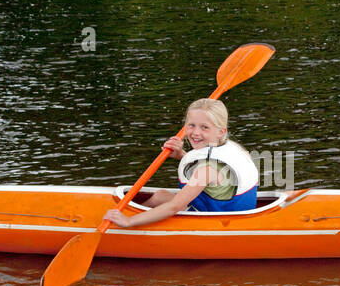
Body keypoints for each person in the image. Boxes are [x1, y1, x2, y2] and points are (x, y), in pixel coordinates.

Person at [102, 98, 259, 228]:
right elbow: (216, 179)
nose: (195, 132)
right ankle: (134, 214)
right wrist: (182, 155)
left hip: (218, 223)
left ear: (221, 131)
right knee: (160, 195)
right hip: (226, 212)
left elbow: (175, 206)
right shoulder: (231, 149)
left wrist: (129, 222)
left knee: (161, 199)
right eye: (191, 125)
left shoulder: (206, 171)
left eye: (204, 127)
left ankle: (129, 219)